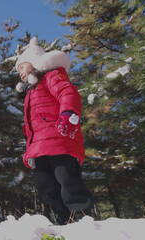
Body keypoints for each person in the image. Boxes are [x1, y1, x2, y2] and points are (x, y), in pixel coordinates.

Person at [15, 37, 92, 225]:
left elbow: (68, 93)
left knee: (66, 179)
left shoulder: (52, 76)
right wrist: (29, 150)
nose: (20, 73)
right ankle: (64, 220)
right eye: (18, 71)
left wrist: (68, 113)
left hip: (60, 139)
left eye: (22, 67)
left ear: (34, 63)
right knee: (45, 186)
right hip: (39, 148)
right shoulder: (30, 93)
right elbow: (30, 126)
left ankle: (80, 217)